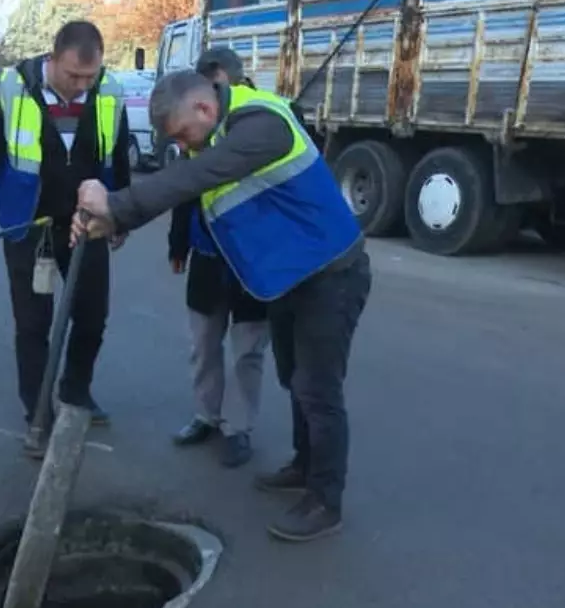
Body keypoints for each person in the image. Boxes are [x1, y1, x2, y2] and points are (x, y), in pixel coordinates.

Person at [72, 69, 373, 542]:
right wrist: (117, 223)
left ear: (205, 109)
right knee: (293, 379)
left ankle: (325, 501)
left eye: (184, 134)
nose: (184, 147)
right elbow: (190, 187)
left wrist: (116, 203)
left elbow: (196, 175)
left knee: (318, 389)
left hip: (331, 275)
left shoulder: (260, 125)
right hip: (292, 277)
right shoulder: (217, 136)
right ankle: (305, 464)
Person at [0, 20, 131, 458]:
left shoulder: (108, 92)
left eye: (88, 78)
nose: (81, 86)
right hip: (28, 226)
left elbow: (118, 155)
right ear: (52, 58)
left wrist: (122, 216)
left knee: (93, 317)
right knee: (34, 323)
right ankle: (39, 411)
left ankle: (76, 392)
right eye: (73, 75)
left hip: (87, 224)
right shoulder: (12, 88)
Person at [167, 48, 270, 468]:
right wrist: (178, 243)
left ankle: (238, 427)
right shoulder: (197, 124)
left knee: (248, 350)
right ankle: (206, 415)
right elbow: (183, 187)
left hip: (252, 258)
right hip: (208, 253)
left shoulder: (265, 123)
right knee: (204, 344)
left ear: (223, 78)